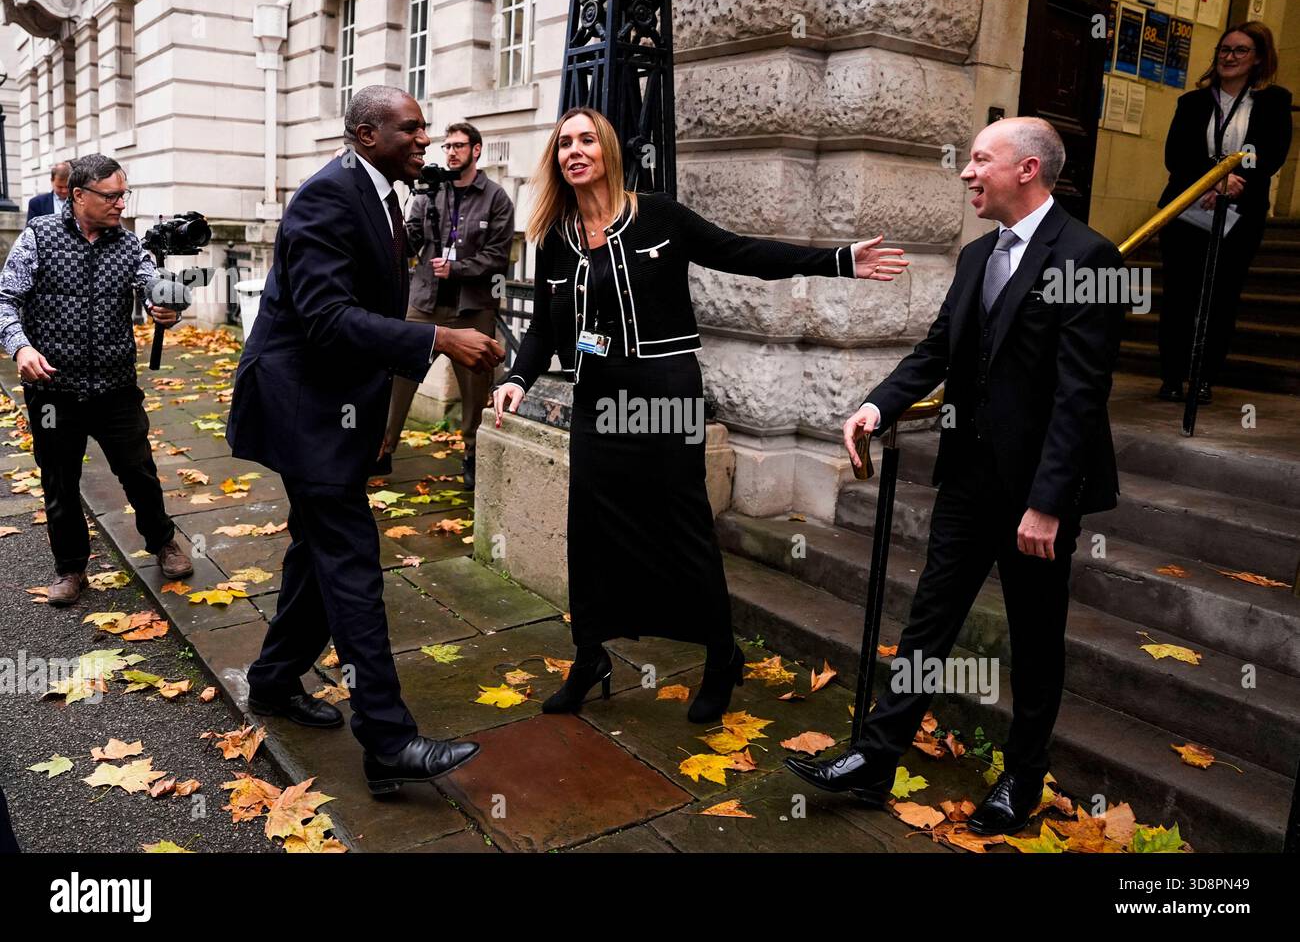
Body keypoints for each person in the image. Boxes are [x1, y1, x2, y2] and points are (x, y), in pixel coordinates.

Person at [491, 107, 910, 724]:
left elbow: (743, 253)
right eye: (563, 145)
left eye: (585, 140)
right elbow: (550, 329)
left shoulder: (658, 216)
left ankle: (721, 655)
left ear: (607, 148)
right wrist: (517, 380)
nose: (573, 152)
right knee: (593, 528)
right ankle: (590, 656)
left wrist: (838, 261)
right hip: (597, 397)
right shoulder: (554, 237)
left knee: (681, 524)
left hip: (664, 392)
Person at [785, 118, 1125, 836]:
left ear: (1028, 169)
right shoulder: (976, 257)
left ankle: (1022, 781)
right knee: (927, 625)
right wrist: (876, 406)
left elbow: (1079, 397)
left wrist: (1047, 505)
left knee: (1036, 644)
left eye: (980, 160)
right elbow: (938, 351)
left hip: (1038, 498)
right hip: (968, 482)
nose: (967, 172)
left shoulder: (1089, 256)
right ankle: (876, 758)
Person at [227, 86, 503, 796]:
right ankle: (386, 741)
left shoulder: (384, 193)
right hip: (302, 410)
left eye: (425, 129)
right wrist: (435, 336)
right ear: (365, 133)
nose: (424, 139)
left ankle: (272, 681)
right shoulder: (327, 197)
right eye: (410, 129)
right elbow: (325, 318)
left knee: (315, 554)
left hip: (336, 408)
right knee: (351, 563)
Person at [0, 153, 193, 607]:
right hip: (52, 390)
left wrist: (166, 307)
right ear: (79, 194)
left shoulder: (126, 246)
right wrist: (20, 347)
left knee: (139, 472)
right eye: (111, 196)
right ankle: (71, 570)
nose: (120, 204)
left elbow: (153, 287)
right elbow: (4, 300)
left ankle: (163, 541)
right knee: (59, 481)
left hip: (115, 387)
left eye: (124, 195)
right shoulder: (39, 238)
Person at [1155, 20, 1292, 405]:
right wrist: (1212, 181)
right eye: (1224, 50)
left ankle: (1203, 378)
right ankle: (1171, 377)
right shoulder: (1193, 103)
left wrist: (1232, 181)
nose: (1229, 57)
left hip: (1241, 213)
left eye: (1240, 51)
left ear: (1259, 59)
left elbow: (1271, 153)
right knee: (1180, 295)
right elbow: (1176, 155)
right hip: (1188, 209)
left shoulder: (1274, 101)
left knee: (1221, 297)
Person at [383, 122, 514, 489]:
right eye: (447, 146)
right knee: (397, 375)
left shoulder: (496, 197)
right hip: (423, 303)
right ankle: (383, 448)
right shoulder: (428, 192)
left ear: (476, 150)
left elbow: (498, 256)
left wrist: (457, 269)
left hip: (471, 308)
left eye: (459, 146)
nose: (451, 152)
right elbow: (406, 246)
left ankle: (472, 451)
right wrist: (397, 204)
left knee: (475, 388)